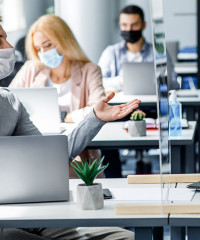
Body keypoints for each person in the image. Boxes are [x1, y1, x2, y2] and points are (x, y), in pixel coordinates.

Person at [0, 21, 139, 239]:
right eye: (0, 40)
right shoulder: (30, 72)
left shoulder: (10, 102)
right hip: (8, 221)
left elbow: (50, 156)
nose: (9, 47)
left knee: (127, 237)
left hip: (32, 212)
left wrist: (94, 118)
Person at [9, 14, 106, 176]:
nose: (43, 53)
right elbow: (9, 102)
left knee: (57, 171)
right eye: (38, 49)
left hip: (78, 150)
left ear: (64, 40)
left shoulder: (90, 70)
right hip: (37, 142)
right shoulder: (31, 69)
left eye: (47, 45)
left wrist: (66, 116)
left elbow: (99, 109)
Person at [98, 4, 178, 92]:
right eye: (124, 25)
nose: (129, 29)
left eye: (134, 25)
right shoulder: (111, 52)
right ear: (120, 25)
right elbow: (98, 81)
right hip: (120, 103)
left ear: (143, 25)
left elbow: (173, 82)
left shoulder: (158, 51)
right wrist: (121, 81)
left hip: (151, 102)